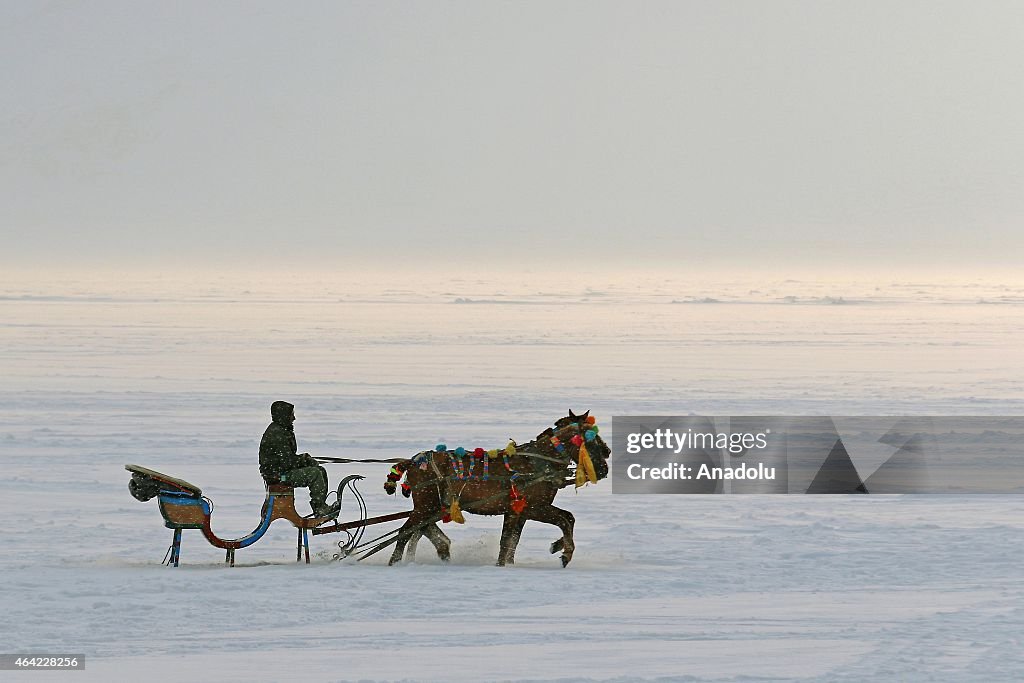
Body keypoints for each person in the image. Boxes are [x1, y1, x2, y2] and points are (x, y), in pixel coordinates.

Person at [259, 401, 336, 517]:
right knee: (315, 474)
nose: (294, 418)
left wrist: (304, 460)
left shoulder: (281, 430)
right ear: (283, 415)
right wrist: (304, 460)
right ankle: (319, 508)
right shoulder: (277, 434)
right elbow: (287, 463)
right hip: (279, 476)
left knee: (320, 470)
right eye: (291, 415)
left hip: (278, 472)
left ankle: (320, 506)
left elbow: (286, 459)